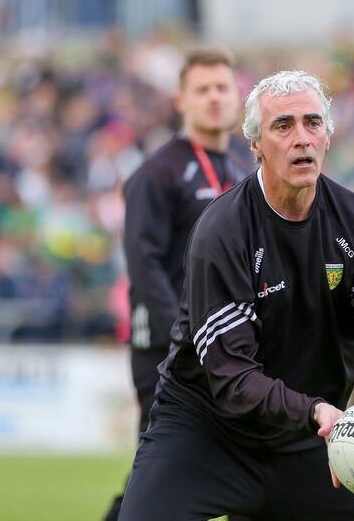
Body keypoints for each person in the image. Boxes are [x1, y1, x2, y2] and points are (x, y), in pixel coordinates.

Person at [117, 70, 354, 520]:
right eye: (283, 126)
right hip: (207, 432)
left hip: (312, 437)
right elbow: (230, 376)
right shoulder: (222, 230)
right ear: (256, 146)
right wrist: (315, 409)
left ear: (328, 137)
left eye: (312, 123)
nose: (301, 138)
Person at [103, 49, 251, 521]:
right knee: (159, 472)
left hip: (224, 348)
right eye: (202, 90)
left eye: (222, 88)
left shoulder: (241, 172)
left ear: (237, 98)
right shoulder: (157, 172)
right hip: (168, 349)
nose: (213, 98)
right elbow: (143, 264)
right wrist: (181, 339)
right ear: (180, 101)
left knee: (219, 466)